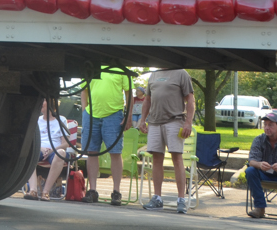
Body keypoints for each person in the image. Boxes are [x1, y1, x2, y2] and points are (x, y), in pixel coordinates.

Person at [138, 68, 195, 214]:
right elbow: (147, 100)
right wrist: (142, 120)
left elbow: (190, 99)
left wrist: (188, 122)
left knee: (177, 158)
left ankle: (181, 199)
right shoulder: (153, 74)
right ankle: (157, 198)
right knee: (156, 159)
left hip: (175, 120)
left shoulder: (181, 73)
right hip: (154, 122)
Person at [81, 66, 132, 206]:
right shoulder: (91, 66)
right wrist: (85, 111)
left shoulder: (121, 68)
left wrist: (128, 115)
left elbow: (129, 93)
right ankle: (92, 190)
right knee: (92, 151)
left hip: (114, 114)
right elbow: (84, 90)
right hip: (91, 114)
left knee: (115, 152)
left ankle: (116, 191)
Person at [25, 100, 75, 201]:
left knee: (61, 153)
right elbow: (30, 141)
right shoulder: (37, 120)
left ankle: (46, 192)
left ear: (51, 103)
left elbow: (65, 144)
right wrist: (41, 148)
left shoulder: (61, 120)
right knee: (28, 152)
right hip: (39, 149)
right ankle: (33, 190)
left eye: (43, 100)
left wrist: (51, 150)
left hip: (55, 151)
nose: (40, 103)